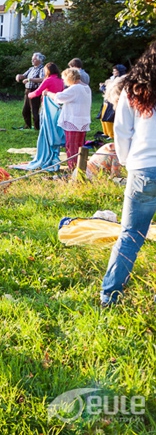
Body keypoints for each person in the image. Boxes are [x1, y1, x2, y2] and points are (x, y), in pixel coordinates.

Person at [101, 44, 156, 305]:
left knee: (131, 234)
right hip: (143, 165)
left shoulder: (133, 90)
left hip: (142, 167)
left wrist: (126, 160)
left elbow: (121, 131)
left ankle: (109, 295)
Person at [45, 68, 92, 173]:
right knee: (80, 146)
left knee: (71, 147)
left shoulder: (75, 88)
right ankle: (80, 168)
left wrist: (48, 93)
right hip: (82, 120)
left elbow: (59, 97)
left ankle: (73, 169)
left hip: (73, 121)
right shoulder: (86, 87)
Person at [16, 52, 47, 130]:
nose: (32, 60)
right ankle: (27, 126)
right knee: (25, 110)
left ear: (39, 60)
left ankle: (37, 128)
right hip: (27, 91)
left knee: (34, 110)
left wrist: (30, 79)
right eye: (32, 58)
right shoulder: (31, 68)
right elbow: (24, 76)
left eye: (34, 58)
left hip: (35, 91)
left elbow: (42, 79)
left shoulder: (42, 69)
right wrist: (19, 76)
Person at [99, 64, 128, 138]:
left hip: (114, 100)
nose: (113, 72)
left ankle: (111, 134)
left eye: (115, 71)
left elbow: (113, 90)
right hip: (107, 99)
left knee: (110, 118)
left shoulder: (122, 79)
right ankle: (106, 133)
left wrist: (103, 88)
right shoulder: (112, 79)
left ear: (119, 71)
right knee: (103, 117)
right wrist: (102, 87)